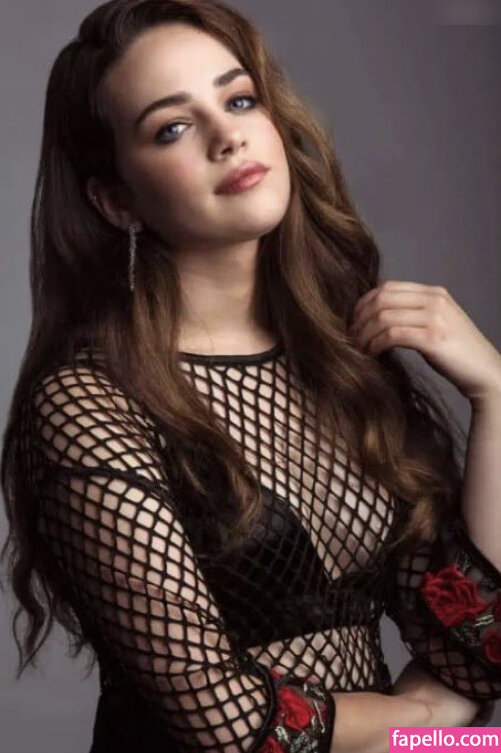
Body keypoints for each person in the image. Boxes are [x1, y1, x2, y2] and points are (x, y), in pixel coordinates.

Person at [1, 1, 500, 751]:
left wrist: (494, 395)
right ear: (117, 199)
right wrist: (429, 722)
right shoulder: (87, 405)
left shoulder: (338, 362)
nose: (227, 135)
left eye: (238, 100)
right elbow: (230, 729)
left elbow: (482, 648)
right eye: (173, 127)